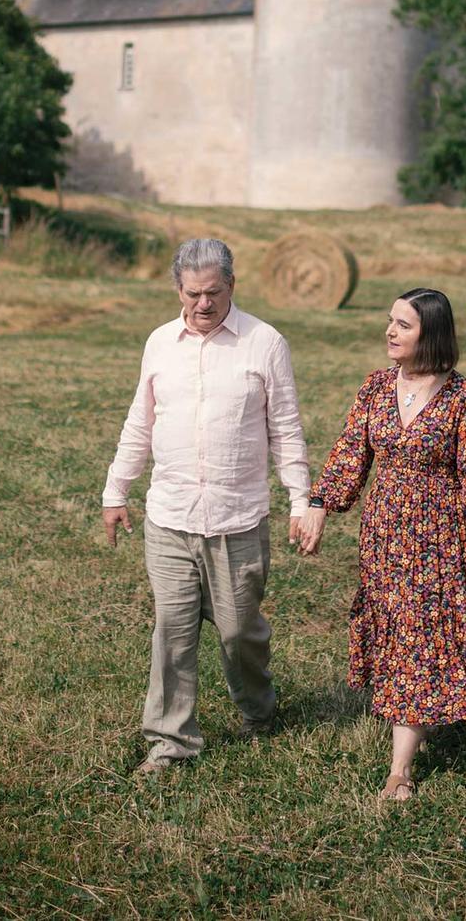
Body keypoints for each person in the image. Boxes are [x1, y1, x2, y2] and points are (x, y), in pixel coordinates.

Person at [102, 237, 312, 773]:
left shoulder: (264, 342)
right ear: (178, 289)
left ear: (231, 287)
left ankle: (259, 712)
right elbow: (140, 421)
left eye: (213, 293)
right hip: (169, 516)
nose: (203, 304)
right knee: (172, 630)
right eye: (193, 294)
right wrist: (116, 489)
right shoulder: (159, 343)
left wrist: (300, 499)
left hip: (237, 519)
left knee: (241, 630)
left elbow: (285, 426)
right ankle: (171, 742)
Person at [297, 288, 466, 801]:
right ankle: (415, 708)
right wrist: (320, 503)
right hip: (384, 533)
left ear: (430, 334)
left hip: (440, 534)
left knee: (422, 632)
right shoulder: (374, 387)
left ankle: (400, 770)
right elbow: (351, 452)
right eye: (389, 320)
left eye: (404, 325)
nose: (389, 331)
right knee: (396, 628)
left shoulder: (463, 397)